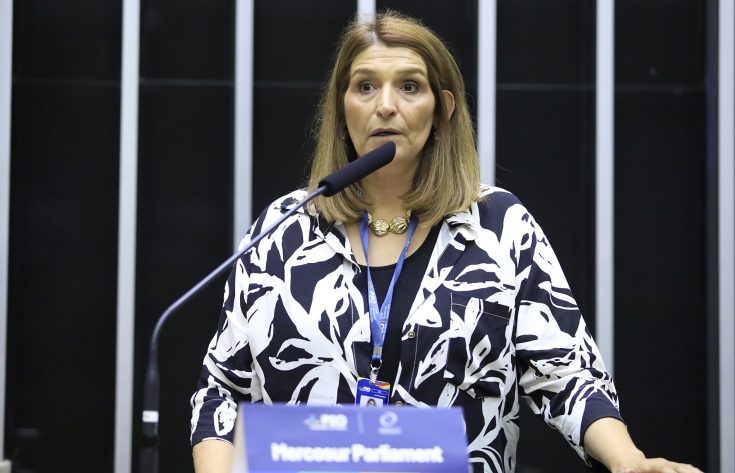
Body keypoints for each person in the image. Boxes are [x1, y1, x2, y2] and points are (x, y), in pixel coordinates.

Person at [190, 11, 703, 473]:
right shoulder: (285, 226)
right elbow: (221, 393)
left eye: (409, 87)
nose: (385, 106)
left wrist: (629, 462)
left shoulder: (499, 226)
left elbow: (567, 375)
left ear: (443, 109)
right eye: (365, 87)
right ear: (342, 105)